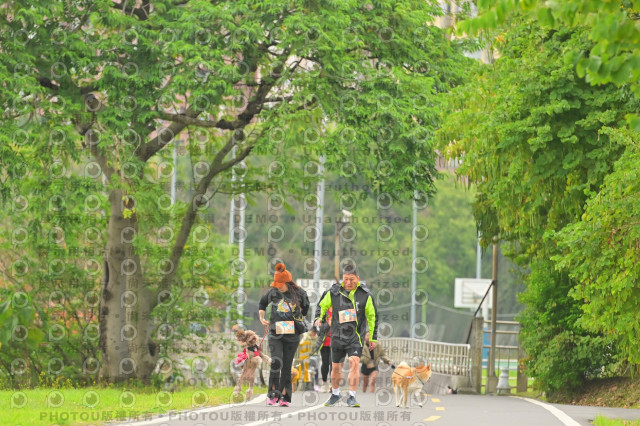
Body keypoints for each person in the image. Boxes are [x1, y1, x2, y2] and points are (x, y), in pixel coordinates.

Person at [314, 264, 378, 408]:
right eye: (346, 279)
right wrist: (318, 318)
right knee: (336, 368)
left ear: (358, 278)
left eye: (352, 279)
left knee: (354, 363)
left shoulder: (365, 295)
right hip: (337, 336)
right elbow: (322, 306)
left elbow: (372, 317)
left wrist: (373, 337)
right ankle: (335, 394)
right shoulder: (333, 292)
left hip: (356, 336)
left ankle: (352, 396)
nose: (348, 282)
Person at [259, 263, 309, 407]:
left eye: (280, 284)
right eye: (276, 284)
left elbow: (306, 309)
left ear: (287, 282)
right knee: (276, 362)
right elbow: (262, 304)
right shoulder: (273, 292)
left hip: (292, 335)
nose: (278, 287)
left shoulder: (300, 293)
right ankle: (272, 394)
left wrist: (297, 318)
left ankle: (284, 397)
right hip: (276, 333)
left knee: (287, 366)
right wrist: (262, 318)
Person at [312, 305, 333, 393]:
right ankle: (324, 383)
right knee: (325, 364)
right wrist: (328, 324)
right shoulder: (323, 311)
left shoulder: (340, 309)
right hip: (324, 342)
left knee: (333, 363)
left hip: (336, 342)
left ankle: (332, 384)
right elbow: (319, 328)